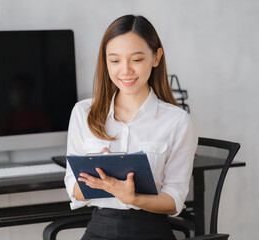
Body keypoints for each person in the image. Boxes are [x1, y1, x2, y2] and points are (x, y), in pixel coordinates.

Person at [64, 15, 197, 240]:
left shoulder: (178, 121)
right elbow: (73, 190)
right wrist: (102, 179)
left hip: (151, 230)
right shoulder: (83, 113)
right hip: (100, 228)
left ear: (156, 57)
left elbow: (174, 200)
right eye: (114, 61)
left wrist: (132, 197)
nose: (125, 71)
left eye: (136, 59)